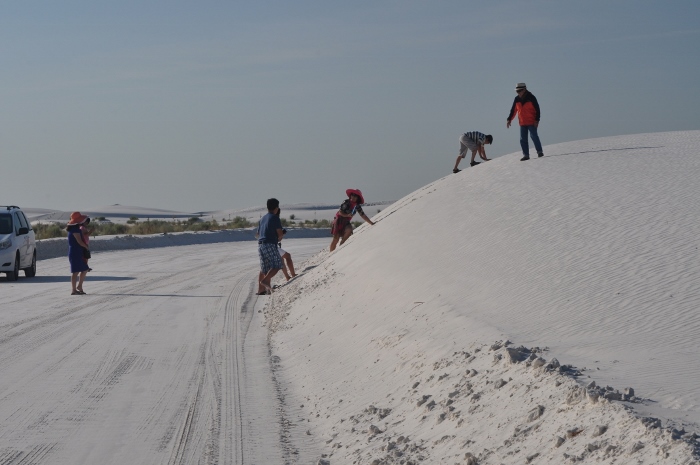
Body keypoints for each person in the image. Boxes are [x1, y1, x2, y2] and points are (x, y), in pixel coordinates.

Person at [507, 82, 544, 161]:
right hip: (522, 122)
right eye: (517, 91)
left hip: (532, 121)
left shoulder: (531, 97)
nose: (518, 93)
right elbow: (513, 110)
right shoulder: (516, 99)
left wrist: (537, 120)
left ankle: (540, 152)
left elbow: (537, 110)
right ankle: (526, 155)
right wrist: (509, 119)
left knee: (534, 136)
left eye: (519, 91)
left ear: (524, 90)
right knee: (522, 139)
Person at [256, 198, 285, 295]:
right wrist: (280, 237)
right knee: (277, 265)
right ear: (276, 208)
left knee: (265, 268)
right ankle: (265, 281)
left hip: (260, 245)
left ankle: (264, 290)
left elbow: (258, 234)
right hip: (269, 244)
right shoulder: (275, 218)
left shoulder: (262, 218)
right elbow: (279, 234)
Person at [66, 212, 90, 295]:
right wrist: (86, 247)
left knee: (85, 269)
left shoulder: (76, 229)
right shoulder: (75, 230)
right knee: (75, 272)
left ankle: (79, 286)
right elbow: (79, 242)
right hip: (75, 252)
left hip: (78, 251)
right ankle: (73, 290)